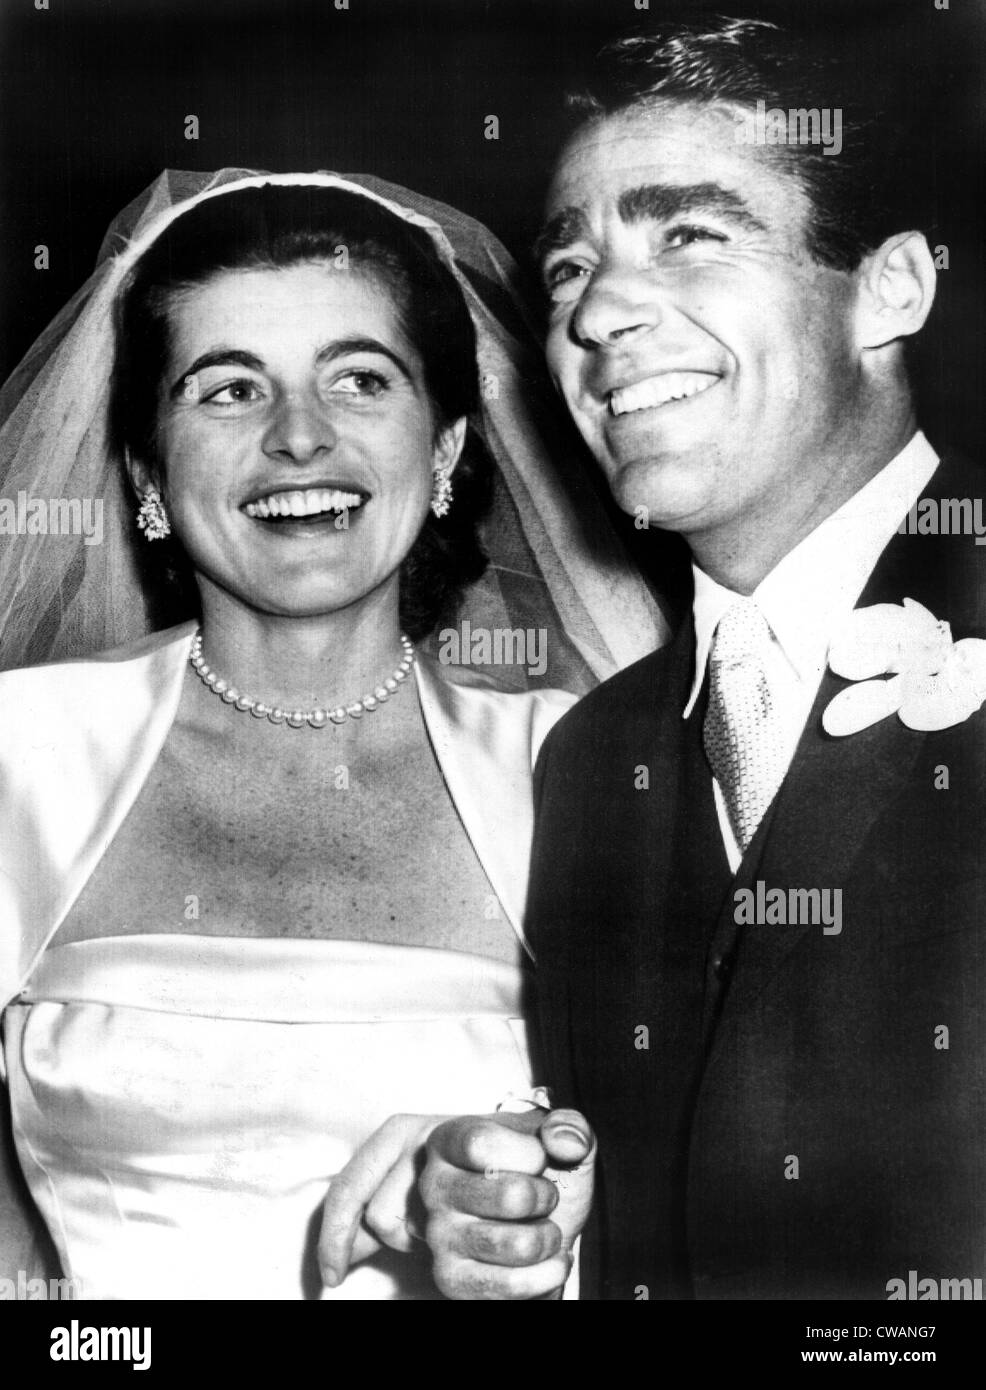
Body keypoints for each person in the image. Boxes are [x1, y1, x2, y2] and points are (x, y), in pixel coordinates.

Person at [0, 170, 662, 1300]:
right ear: (147, 473)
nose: (297, 438)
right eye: (226, 391)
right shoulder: (20, 753)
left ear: (447, 448)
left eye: (359, 379)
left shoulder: (588, 768)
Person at [405, 17, 986, 1299]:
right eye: (564, 271)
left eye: (690, 236)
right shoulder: (589, 755)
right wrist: (524, 1238)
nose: (597, 311)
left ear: (888, 289)